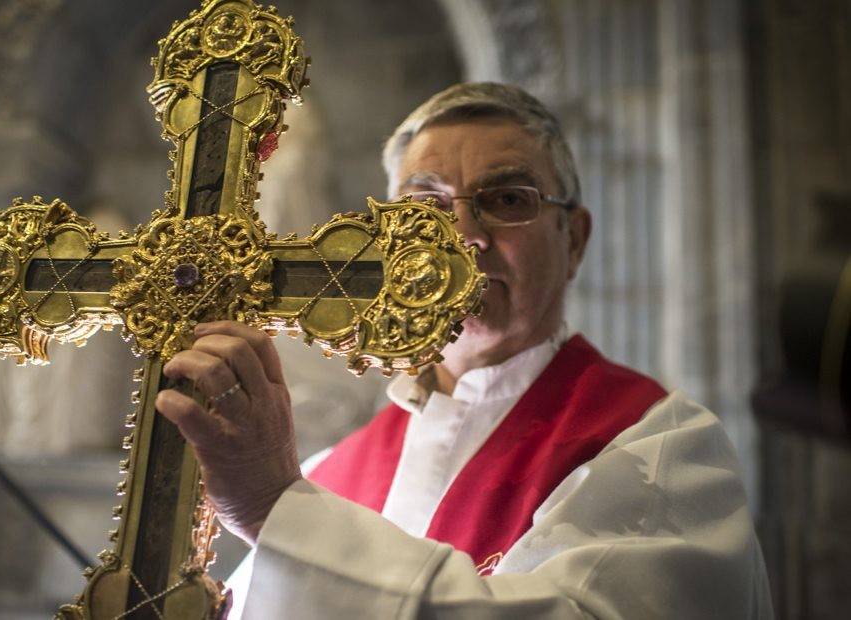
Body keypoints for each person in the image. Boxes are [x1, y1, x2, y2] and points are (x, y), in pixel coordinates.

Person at [155, 83, 773, 618]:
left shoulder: (662, 448)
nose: (464, 238)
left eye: (507, 200)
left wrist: (273, 510)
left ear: (574, 239)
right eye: (425, 207)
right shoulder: (324, 474)